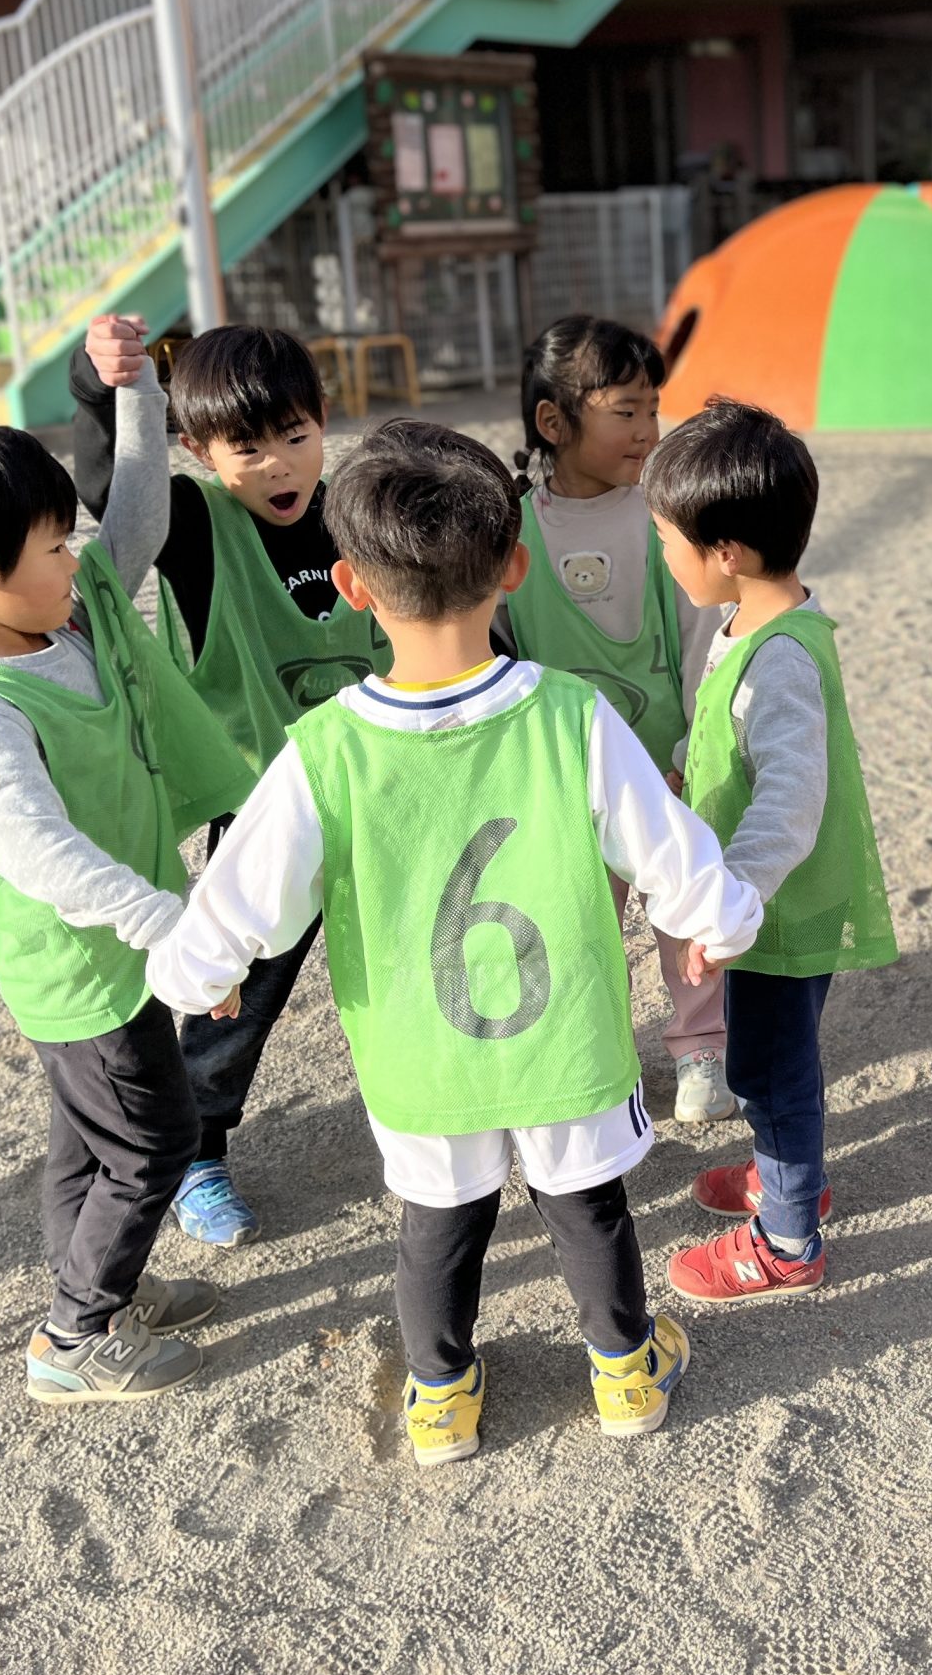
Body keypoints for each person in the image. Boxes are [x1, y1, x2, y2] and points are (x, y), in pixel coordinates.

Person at [147, 420, 759, 1464]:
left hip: (418, 1055)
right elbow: (670, 846)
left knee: (437, 1221)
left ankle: (440, 1393)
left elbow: (241, 893)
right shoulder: (569, 713)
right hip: (564, 1041)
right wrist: (719, 923)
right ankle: (624, 1372)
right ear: (514, 568)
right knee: (589, 1206)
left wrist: (198, 975)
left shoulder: (326, 748)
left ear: (351, 585)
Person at [0, 407, 252, 1404]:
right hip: (85, 972)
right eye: (52, 548)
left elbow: (137, 520)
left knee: (87, 1143)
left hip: (107, 957)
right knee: (154, 1142)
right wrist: (164, 921)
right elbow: (31, 847)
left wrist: (135, 394)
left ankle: (101, 1288)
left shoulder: (65, 616)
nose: (77, 563)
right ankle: (75, 1334)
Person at [82, 315, 391, 1251]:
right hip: (262, 809)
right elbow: (112, 489)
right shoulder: (195, 528)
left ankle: (463, 1110)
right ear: (198, 450)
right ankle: (197, 1151)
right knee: (238, 990)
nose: (278, 465)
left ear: (324, 418)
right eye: (247, 448)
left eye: (295, 435)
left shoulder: (360, 510)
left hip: (384, 791)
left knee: (423, 958)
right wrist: (103, 387)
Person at [642, 399, 898, 1303]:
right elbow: (733, 732)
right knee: (774, 1059)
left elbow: (791, 797)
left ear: (726, 554)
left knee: (770, 1070)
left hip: (774, 907)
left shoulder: (780, 655)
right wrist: (687, 763)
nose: (662, 555)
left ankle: (787, 1239)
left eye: (666, 539)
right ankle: (789, 1176)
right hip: (769, 902)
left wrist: (730, 902)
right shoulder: (751, 624)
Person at [499, 315, 733, 1126]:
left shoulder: (661, 517)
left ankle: (701, 1047)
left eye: (652, 409)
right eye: (625, 411)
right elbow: (499, 651)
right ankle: (595, 1050)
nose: (647, 430)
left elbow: (702, 639)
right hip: (562, 777)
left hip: (664, 767)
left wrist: (692, 746)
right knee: (577, 921)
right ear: (553, 421)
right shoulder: (511, 528)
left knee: (683, 909)